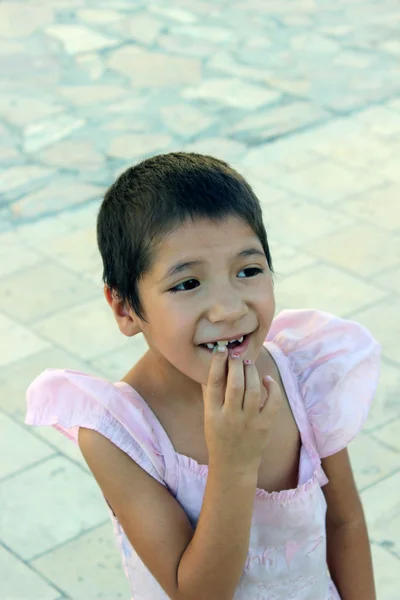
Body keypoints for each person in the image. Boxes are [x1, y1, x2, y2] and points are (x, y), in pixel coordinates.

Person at [26, 152, 380, 600]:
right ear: (126, 308)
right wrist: (233, 462)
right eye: (187, 284)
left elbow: (344, 520)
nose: (230, 309)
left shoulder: (304, 378)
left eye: (248, 271)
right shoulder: (122, 436)